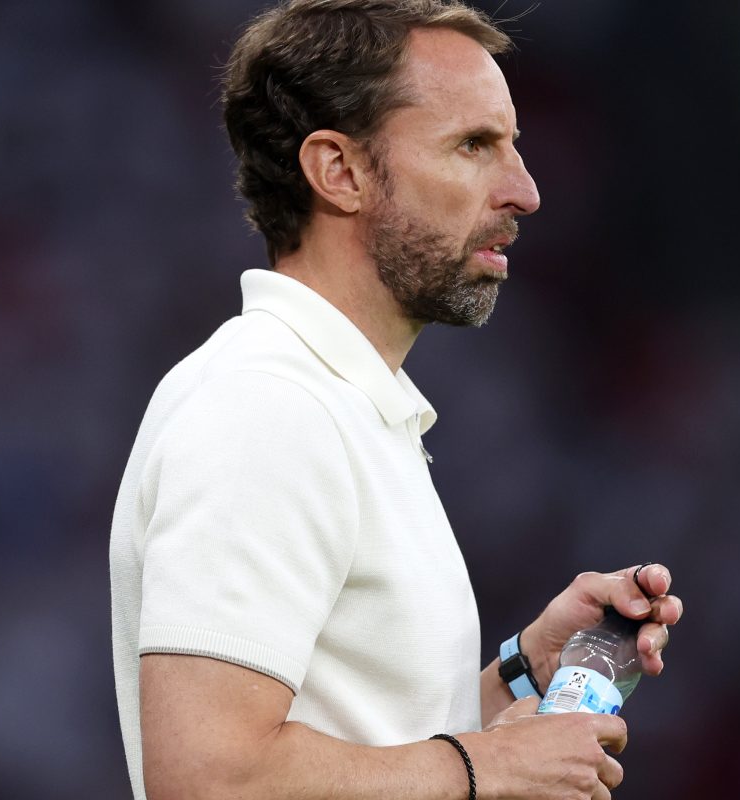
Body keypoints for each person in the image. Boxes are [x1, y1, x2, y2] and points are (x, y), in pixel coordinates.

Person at [108, 2, 684, 798]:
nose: (525, 191)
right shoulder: (266, 407)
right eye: (474, 146)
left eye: (512, 145)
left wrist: (523, 672)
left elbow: (368, 748)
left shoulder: (340, 403)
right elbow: (209, 778)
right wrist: (489, 766)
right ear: (338, 171)